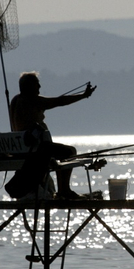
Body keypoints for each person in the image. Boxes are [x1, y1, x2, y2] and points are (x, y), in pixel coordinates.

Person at [9, 71, 96, 200]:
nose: (39, 88)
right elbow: (60, 101)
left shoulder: (15, 100)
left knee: (60, 152)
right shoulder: (32, 100)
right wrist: (83, 95)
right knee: (70, 151)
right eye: (37, 85)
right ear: (29, 87)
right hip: (36, 151)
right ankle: (64, 190)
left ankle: (59, 190)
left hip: (21, 150)